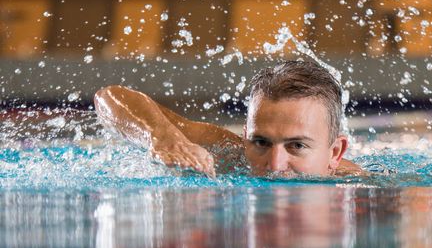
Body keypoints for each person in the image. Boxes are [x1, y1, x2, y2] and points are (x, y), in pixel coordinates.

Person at [94, 59, 361, 178]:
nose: (275, 165)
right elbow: (110, 96)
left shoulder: (355, 187)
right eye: (261, 142)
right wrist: (162, 136)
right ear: (245, 136)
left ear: (335, 153)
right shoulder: (230, 154)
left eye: (297, 146)